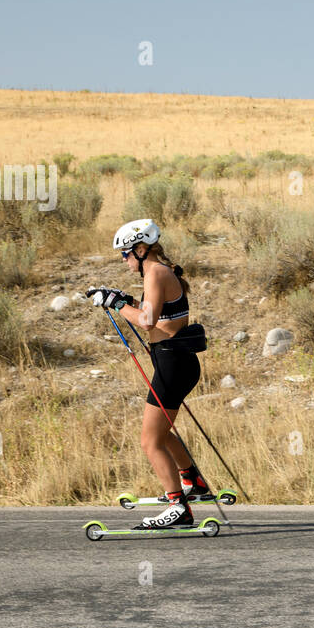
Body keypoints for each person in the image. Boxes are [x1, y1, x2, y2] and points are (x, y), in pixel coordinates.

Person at [87, 218, 208, 529]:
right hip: (177, 363)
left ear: (141, 250)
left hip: (172, 364)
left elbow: (147, 322)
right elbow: (155, 311)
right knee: (161, 434)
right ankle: (192, 482)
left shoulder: (155, 272)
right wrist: (128, 301)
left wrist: (115, 304)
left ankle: (178, 506)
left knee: (150, 441)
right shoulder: (161, 272)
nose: (124, 260)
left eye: (126, 254)